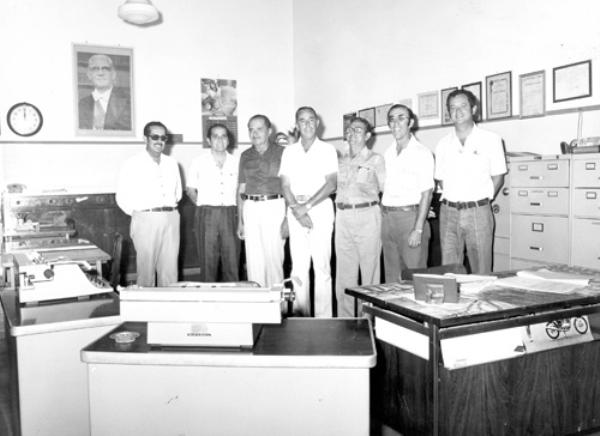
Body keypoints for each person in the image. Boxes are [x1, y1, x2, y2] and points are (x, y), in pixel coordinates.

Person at [435, 89, 507, 274]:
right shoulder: (443, 144)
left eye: (463, 106)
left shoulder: (491, 139)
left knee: (481, 270)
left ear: (473, 109)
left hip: (478, 212)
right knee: (449, 271)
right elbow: (441, 179)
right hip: (448, 213)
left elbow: (498, 176)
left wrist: (482, 202)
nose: (457, 112)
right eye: (452, 108)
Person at [280, 106, 337, 317]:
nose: (307, 124)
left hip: (320, 210)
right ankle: (299, 315)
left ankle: (324, 320)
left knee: (322, 268)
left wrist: (308, 207)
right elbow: (285, 185)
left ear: (317, 122)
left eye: (311, 119)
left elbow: (331, 184)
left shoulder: (328, 150)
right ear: (297, 125)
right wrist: (297, 210)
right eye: (302, 120)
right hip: (296, 211)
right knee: (298, 268)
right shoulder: (289, 151)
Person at [116, 121, 182, 286]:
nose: (159, 141)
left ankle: (169, 308)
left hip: (171, 218)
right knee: (146, 273)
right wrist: (142, 215)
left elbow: (178, 193)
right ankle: (148, 310)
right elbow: (122, 197)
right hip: (145, 220)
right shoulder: (132, 163)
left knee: (170, 272)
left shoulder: (172, 163)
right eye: (155, 137)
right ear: (146, 139)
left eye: (163, 137)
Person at [335, 117, 385, 317]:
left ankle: (368, 319)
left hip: (367, 216)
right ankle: (345, 320)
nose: (352, 133)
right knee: (344, 274)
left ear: (367, 136)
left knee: (369, 272)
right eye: (349, 130)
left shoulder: (376, 159)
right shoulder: (338, 160)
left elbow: (386, 190)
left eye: (358, 130)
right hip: (343, 216)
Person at [381, 104, 434, 282]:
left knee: (414, 279)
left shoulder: (422, 153)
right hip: (388, 220)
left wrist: (418, 229)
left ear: (411, 122)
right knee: (391, 278)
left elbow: (427, 193)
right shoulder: (387, 153)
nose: (396, 123)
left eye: (401, 118)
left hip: (410, 220)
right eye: (391, 119)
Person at [187, 123, 240, 282]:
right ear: (209, 140)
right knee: (208, 260)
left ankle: (234, 297)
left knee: (232, 260)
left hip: (231, 214)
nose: (220, 140)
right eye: (215, 136)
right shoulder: (198, 162)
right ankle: (208, 300)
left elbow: (241, 190)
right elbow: (190, 190)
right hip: (206, 214)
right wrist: (204, 205)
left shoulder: (237, 162)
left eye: (223, 136)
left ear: (228, 140)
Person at [237, 114, 286, 287]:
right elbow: (241, 190)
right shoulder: (245, 155)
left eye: (259, 129)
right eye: (251, 129)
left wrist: (287, 219)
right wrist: (240, 221)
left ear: (269, 131)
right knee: (253, 259)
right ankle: (257, 304)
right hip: (250, 208)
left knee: (274, 258)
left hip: (274, 206)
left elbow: (290, 187)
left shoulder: (282, 153)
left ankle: (277, 306)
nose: (254, 133)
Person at [78, 54, 131, 131]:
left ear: (113, 74)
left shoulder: (129, 100)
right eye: (95, 69)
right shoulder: (81, 104)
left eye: (105, 68)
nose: (100, 73)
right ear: (89, 75)